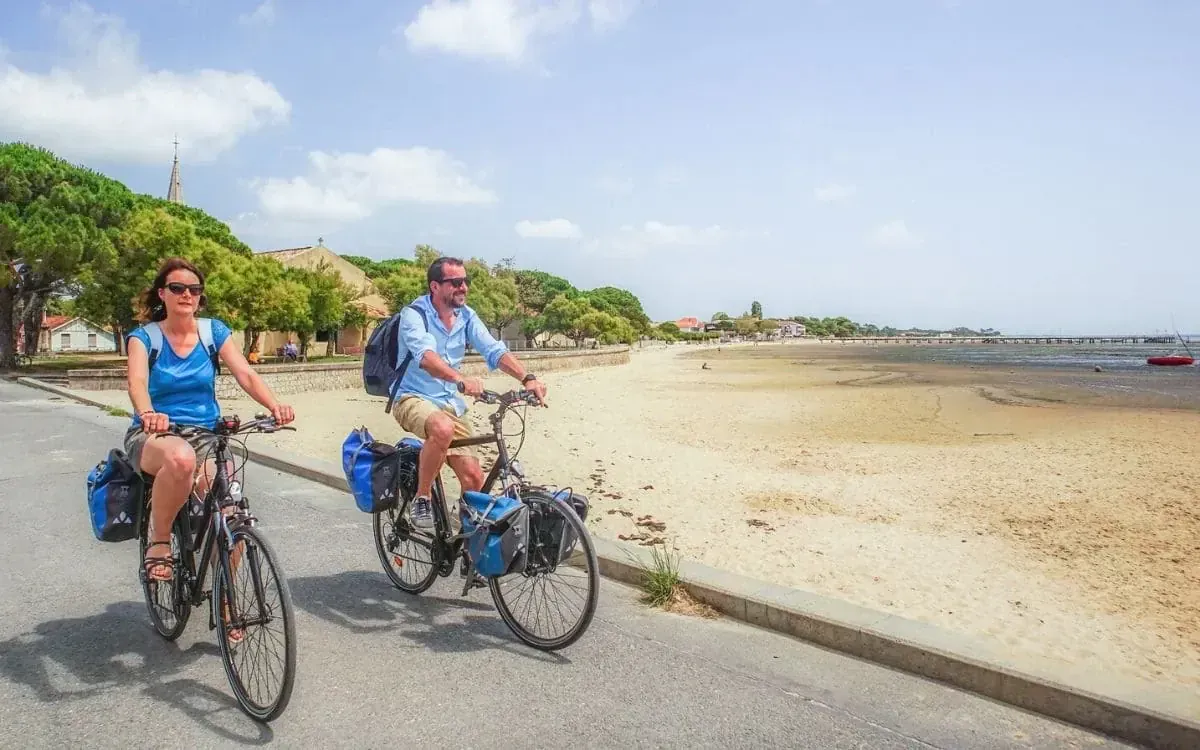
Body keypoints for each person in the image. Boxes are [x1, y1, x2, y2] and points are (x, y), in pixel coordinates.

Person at [125, 257, 295, 597]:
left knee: (230, 513)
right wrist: (148, 413)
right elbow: (137, 383)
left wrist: (274, 405)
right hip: (155, 433)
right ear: (162, 293)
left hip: (205, 434)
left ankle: (227, 604)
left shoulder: (213, 332)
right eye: (177, 288)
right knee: (181, 460)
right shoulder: (144, 338)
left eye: (194, 289)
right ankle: (160, 542)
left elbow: (245, 373)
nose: (187, 294)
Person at [392, 256, 548, 529]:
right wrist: (460, 379)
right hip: (412, 397)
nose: (463, 287)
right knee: (442, 428)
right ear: (435, 286)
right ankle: (422, 497)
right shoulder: (414, 315)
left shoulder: (466, 316)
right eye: (455, 282)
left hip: (449, 402)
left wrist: (527, 378)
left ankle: (467, 544)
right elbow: (426, 357)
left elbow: (493, 349)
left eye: (465, 281)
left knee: (474, 479)